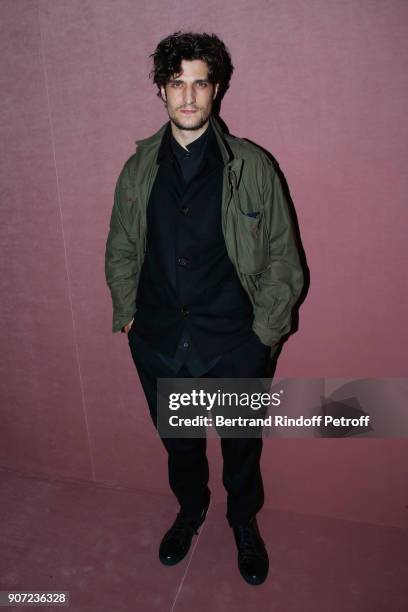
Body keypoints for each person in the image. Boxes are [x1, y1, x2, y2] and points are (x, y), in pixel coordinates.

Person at [105, 31, 303, 586]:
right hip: (162, 341)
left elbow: (285, 259)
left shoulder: (252, 166)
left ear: (216, 90)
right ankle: (190, 512)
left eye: (199, 83)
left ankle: (243, 522)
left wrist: (264, 334)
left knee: (242, 448)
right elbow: (121, 246)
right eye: (176, 84)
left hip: (235, 343)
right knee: (182, 447)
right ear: (161, 92)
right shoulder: (139, 170)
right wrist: (129, 316)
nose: (188, 97)